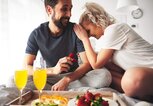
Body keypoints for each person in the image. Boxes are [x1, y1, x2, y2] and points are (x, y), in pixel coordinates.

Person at [24, 0, 112, 91]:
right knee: (13, 79)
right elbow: (26, 67)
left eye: (70, 9)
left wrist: (67, 79)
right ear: (49, 10)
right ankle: (62, 88)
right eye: (64, 9)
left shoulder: (76, 30)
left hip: (74, 77)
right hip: (51, 77)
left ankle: (57, 89)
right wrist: (53, 70)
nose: (69, 14)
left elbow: (87, 63)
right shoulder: (36, 34)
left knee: (104, 76)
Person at [74, 2, 153, 102]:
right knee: (105, 73)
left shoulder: (114, 29)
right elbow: (103, 66)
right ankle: (142, 94)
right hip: (144, 75)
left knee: (131, 76)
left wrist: (84, 39)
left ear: (96, 21)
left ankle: (141, 94)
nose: (90, 36)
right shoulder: (108, 39)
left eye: (88, 31)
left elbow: (96, 64)